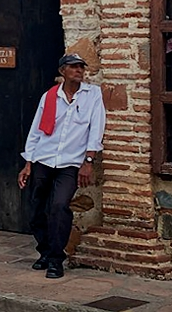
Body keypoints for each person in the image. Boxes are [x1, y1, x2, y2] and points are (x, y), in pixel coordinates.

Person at [17, 52, 105, 279]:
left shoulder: (92, 95)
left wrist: (88, 161)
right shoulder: (49, 97)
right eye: (73, 67)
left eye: (81, 67)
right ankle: (44, 252)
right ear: (62, 71)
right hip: (43, 160)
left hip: (70, 163)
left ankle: (56, 259)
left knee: (59, 207)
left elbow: (96, 129)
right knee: (37, 209)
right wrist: (28, 163)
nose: (78, 71)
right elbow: (36, 130)